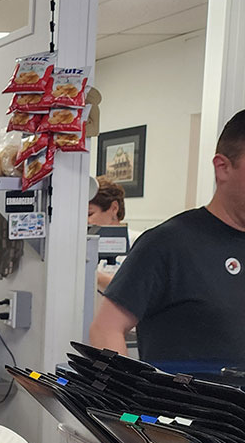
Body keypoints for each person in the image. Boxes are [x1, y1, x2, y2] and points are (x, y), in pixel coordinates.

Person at [89, 109, 245, 369]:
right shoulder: (167, 244)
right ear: (223, 168)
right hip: (185, 408)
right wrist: (129, 403)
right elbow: (105, 331)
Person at [87, 176, 138, 292]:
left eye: (90, 214)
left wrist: (91, 274)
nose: (85, 221)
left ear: (114, 208)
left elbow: (133, 290)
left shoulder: (138, 242)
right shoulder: (86, 243)